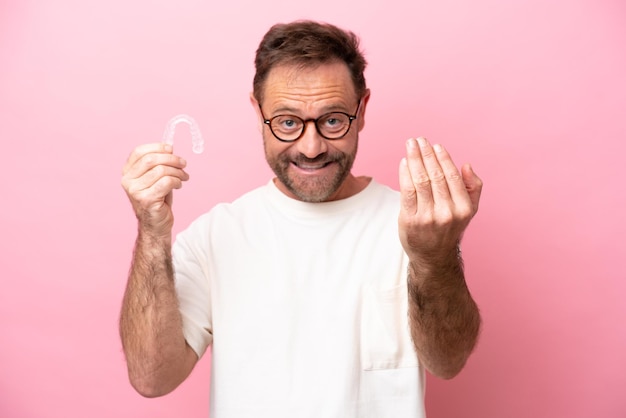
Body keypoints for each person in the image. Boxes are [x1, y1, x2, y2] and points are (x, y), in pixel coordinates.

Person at [120, 20, 482, 418]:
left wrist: (434, 256)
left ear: (361, 111)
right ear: (259, 112)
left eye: (332, 120)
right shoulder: (215, 237)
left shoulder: (415, 228)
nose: (311, 148)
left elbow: (448, 362)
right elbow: (151, 378)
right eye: (288, 122)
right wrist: (153, 233)